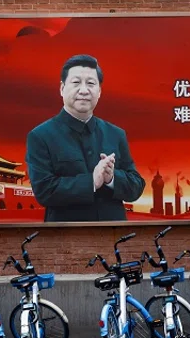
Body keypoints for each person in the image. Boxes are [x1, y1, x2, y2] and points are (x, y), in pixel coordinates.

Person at [26, 54, 146, 222]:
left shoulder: (116, 134)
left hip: (114, 239)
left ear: (99, 91)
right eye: (76, 83)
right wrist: (92, 181)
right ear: (62, 88)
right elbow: (44, 191)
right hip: (65, 241)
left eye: (91, 83)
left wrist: (111, 178)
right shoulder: (40, 136)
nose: (84, 90)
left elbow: (136, 186)